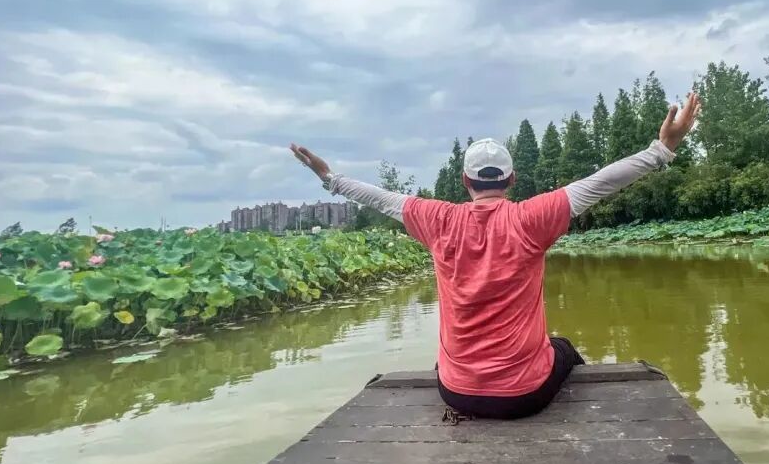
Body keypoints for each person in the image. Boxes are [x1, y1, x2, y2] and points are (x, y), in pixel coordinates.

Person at [290, 91, 701, 419]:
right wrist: (662, 150)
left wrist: (330, 179)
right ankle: (583, 418)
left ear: (464, 180)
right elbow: (597, 183)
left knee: (463, 361)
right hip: (525, 397)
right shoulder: (530, 218)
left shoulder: (437, 219)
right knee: (565, 349)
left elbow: (383, 199)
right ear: (512, 179)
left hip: (455, 393)